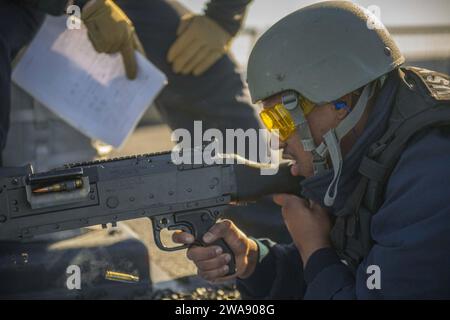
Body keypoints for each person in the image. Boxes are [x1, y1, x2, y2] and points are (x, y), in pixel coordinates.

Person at [173, 1, 450, 299]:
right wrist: (253, 259)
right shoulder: (371, 146)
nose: (278, 142)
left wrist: (314, 248)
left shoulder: (431, 172)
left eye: (281, 120)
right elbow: (349, 266)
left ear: (340, 103)